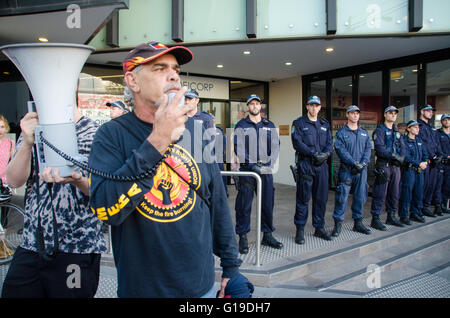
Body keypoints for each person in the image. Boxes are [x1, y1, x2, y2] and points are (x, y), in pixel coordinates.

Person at [88, 41, 242, 298]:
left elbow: (216, 202)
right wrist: (158, 139)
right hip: (143, 289)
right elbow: (107, 210)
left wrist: (231, 267)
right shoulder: (111, 135)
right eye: (160, 69)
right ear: (133, 81)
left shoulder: (198, 131)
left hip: (200, 285)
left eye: (176, 70)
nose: (173, 76)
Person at [1, 106, 107, 298]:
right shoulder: (33, 129)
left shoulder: (95, 132)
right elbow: (14, 180)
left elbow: (105, 193)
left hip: (78, 247)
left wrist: (78, 180)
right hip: (32, 244)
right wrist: (26, 142)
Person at [233, 94, 283, 254]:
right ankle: (243, 237)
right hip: (248, 172)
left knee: (267, 203)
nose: (255, 106)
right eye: (252, 104)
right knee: (244, 205)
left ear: (260, 106)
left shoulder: (269, 125)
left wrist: (268, 164)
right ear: (248, 107)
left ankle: (267, 235)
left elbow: (276, 146)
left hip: (266, 171)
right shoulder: (241, 125)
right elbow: (238, 147)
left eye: (257, 104)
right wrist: (252, 165)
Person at [291, 96, 333, 244]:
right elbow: (297, 142)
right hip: (307, 165)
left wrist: (326, 154)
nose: (314, 108)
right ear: (307, 107)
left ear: (320, 107)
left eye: (317, 105)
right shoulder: (299, 123)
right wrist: (313, 153)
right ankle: (300, 229)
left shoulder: (324, 124)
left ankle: (319, 228)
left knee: (321, 199)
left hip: (322, 167)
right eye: (311, 105)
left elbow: (329, 142)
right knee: (303, 199)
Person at [331, 106, 372, 237]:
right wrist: (353, 163)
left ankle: (358, 223)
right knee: (342, 198)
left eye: (357, 113)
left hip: (361, 171)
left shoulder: (364, 133)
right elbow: (340, 149)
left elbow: (368, 149)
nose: (355, 116)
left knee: (360, 197)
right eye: (352, 113)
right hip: (347, 170)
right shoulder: (342, 133)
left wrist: (363, 163)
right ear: (347, 115)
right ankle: (337, 225)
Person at [369, 106, 405, 231]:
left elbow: (403, 148)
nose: (393, 115)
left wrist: (401, 157)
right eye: (390, 113)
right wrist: (394, 155)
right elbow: (380, 149)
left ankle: (391, 216)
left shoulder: (397, 132)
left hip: (395, 167)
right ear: (385, 114)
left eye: (395, 113)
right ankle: (376, 219)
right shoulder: (380, 131)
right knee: (380, 193)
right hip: (384, 166)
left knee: (394, 193)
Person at [398, 120, 428, 224]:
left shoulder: (419, 140)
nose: (417, 129)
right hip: (409, 170)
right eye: (415, 127)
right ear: (408, 128)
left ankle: (415, 213)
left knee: (418, 193)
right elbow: (405, 156)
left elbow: (425, 153)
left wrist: (425, 162)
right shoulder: (404, 141)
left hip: (419, 171)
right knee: (406, 193)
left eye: (418, 127)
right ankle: (404, 215)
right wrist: (418, 163)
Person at [418, 104, 444, 217]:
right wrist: (431, 156)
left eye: (431, 111)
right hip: (425, 161)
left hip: (434, 162)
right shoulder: (418, 126)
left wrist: (439, 155)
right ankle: (419, 208)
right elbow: (422, 144)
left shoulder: (431, 126)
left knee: (432, 185)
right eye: (428, 111)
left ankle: (426, 206)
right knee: (423, 186)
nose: (430, 113)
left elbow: (436, 143)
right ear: (422, 112)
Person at [0, 114, 15, 228]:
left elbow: (13, 161)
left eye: (2, 127)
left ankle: (2, 239)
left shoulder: (10, 143)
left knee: (4, 211)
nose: (0, 130)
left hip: (4, 181)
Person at [437, 114, 450, 214]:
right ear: (441, 122)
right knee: (439, 185)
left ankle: (445, 205)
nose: (447, 122)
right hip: (442, 163)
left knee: (447, 186)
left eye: (448, 120)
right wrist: (445, 156)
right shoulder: (438, 133)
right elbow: (437, 147)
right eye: (444, 120)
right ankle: (439, 206)